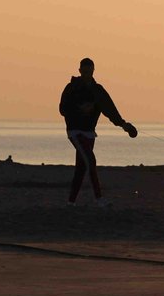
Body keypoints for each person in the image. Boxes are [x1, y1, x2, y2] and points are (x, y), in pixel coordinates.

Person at [59, 58, 137, 207]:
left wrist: (123, 125)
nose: (87, 74)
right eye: (85, 71)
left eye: (90, 71)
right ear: (80, 71)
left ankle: (71, 202)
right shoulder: (71, 88)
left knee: (82, 167)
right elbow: (62, 109)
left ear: (93, 71)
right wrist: (79, 109)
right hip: (75, 131)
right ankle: (99, 199)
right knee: (91, 161)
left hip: (89, 133)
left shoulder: (98, 90)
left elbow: (110, 110)